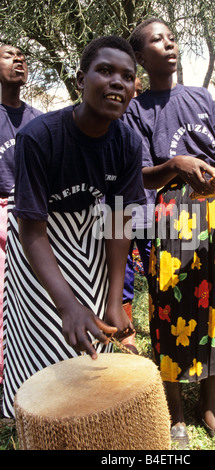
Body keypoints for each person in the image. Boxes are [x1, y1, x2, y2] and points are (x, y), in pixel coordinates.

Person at [124, 17, 215, 449]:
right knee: (171, 312)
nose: (170, 45)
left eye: (172, 38)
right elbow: (140, 175)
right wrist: (176, 164)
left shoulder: (201, 96)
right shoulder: (136, 110)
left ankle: (209, 408)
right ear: (142, 58)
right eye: (157, 41)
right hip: (172, 215)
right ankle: (177, 413)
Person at [2, 35, 146, 418]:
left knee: (97, 328)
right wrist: (66, 305)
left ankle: (88, 421)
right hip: (40, 237)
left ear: (134, 89)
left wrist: (116, 302)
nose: (117, 81)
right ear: (81, 80)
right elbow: (31, 230)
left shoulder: (128, 143)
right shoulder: (39, 137)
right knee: (45, 331)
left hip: (92, 233)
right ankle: (37, 419)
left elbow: (118, 221)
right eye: (105, 71)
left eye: (127, 76)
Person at [0, 45, 42, 387]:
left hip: (33, 216)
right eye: (8, 55)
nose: (18, 61)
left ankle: (32, 368)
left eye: (23, 57)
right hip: (1, 212)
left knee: (32, 295)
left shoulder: (39, 120)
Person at [121, 75, 156, 354]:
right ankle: (127, 335)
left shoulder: (149, 120)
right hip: (114, 211)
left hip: (148, 208)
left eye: (139, 92)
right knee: (121, 274)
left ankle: (160, 329)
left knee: (156, 271)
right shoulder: (107, 120)